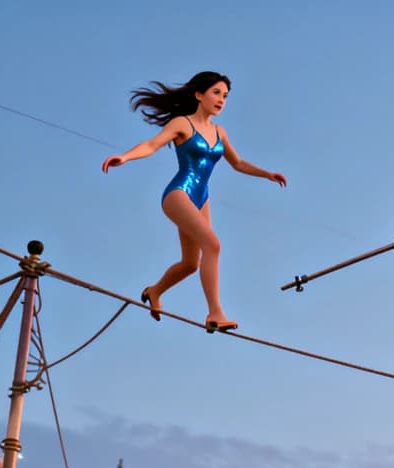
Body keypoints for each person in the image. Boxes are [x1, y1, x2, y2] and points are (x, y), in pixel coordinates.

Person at [101, 71, 286, 332]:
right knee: (213, 244)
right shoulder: (182, 124)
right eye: (216, 93)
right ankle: (215, 312)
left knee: (191, 263)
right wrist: (125, 157)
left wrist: (267, 174)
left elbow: (238, 163)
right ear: (199, 95)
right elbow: (153, 145)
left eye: (225, 96)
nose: (221, 99)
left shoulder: (220, 132)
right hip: (179, 194)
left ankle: (154, 291)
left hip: (201, 198)